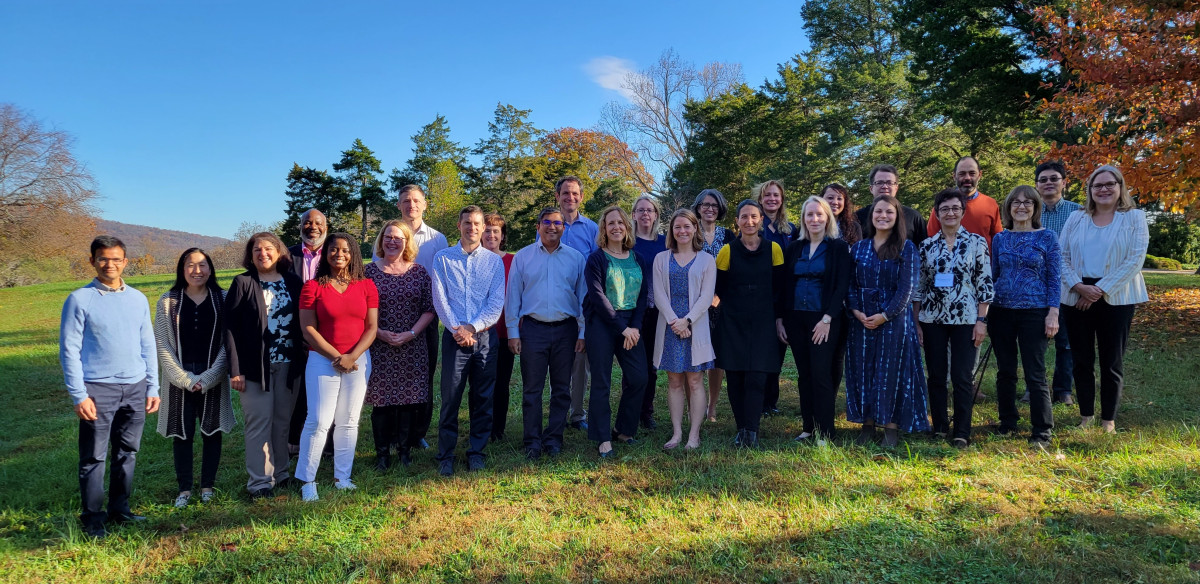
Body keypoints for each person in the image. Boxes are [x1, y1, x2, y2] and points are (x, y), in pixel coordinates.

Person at [60, 236, 160, 538]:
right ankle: (92, 519)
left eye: (116, 259)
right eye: (103, 258)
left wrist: (152, 386)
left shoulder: (138, 299)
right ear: (92, 261)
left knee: (127, 451)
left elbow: (147, 344)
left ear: (125, 262)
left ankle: (121, 510)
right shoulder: (79, 299)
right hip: (97, 389)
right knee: (94, 456)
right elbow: (69, 350)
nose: (110, 264)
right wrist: (79, 394)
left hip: (135, 385)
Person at [1059, 165, 1148, 434]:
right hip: (1077, 294)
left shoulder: (1134, 218)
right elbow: (1061, 256)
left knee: (1111, 361)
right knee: (1082, 359)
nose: (1104, 189)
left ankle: (1108, 419)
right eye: (1097, 185)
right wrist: (1078, 286)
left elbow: (1135, 259)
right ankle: (1086, 416)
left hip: (1117, 296)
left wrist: (1099, 290)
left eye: (1110, 184)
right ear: (1090, 190)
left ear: (1120, 187)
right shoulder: (1076, 218)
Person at [296, 233, 379, 501]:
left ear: (353, 253)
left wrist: (352, 356)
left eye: (345, 250)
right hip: (323, 359)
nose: (339, 254)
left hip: (358, 360)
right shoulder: (312, 287)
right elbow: (308, 328)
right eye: (333, 249)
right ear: (326, 253)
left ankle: (342, 477)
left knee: (349, 421)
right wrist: (337, 357)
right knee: (319, 420)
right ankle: (308, 480)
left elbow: (372, 327)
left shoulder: (366, 285)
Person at [225, 232, 304, 499]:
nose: (263, 253)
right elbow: (230, 329)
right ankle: (259, 481)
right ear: (251, 255)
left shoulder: (293, 282)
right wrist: (235, 370)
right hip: (255, 368)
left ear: (279, 252)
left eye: (268, 248)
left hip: (288, 364)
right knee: (258, 423)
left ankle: (281, 474)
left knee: (282, 423)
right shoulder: (243, 282)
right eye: (257, 249)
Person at [846, 196, 929, 448]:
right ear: (871, 216)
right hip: (861, 320)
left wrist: (885, 315)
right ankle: (867, 424)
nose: (882, 215)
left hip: (894, 321)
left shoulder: (906, 248)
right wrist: (857, 311)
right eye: (878, 211)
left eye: (888, 212)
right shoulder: (859, 248)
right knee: (864, 371)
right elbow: (850, 283)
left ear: (897, 216)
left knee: (890, 372)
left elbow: (907, 289)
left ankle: (890, 428)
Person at [914, 189, 994, 448]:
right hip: (932, 318)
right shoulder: (926, 246)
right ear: (937, 213)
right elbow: (919, 287)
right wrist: (917, 323)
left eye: (955, 208)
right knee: (936, 376)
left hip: (966, 319)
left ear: (962, 212)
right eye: (944, 208)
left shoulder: (976, 243)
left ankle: (962, 430)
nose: (950, 212)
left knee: (961, 377)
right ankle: (939, 426)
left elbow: (984, 285)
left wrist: (982, 321)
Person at [506, 208, 587, 460]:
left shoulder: (576, 258)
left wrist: (582, 332)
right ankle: (532, 440)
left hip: (566, 329)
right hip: (533, 329)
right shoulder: (523, 257)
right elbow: (513, 296)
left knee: (562, 388)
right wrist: (512, 332)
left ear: (564, 227)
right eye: (547, 222)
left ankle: (553, 438)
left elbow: (583, 297)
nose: (552, 227)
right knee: (532, 388)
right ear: (538, 226)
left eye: (557, 223)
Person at [154, 248, 233, 508]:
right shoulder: (168, 301)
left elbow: (228, 343)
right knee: (182, 432)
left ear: (211, 268)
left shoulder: (223, 299)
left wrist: (209, 377)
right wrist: (186, 379)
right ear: (182, 269)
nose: (196, 270)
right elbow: (162, 345)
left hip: (213, 374)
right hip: (178, 377)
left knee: (212, 431)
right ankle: (185, 489)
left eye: (202, 265)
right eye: (190, 265)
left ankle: (207, 485)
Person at [431, 206, 506, 475]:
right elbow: (440, 299)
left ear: (484, 227)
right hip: (454, 338)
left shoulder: (494, 262)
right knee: (451, 397)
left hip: (484, 338)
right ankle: (446, 455)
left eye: (477, 223)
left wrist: (472, 328)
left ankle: (477, 451)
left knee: (483, 397)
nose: (472, 228)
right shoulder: (443, 258)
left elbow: (496, 302)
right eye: (467, 223)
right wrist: (457, 329)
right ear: (459, 225)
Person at [989, 186, 1061, 447]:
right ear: (1008, 208)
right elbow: (994, 275)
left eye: (1027, 202)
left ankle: (1042, 430)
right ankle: (1008, 421)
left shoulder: (1048, 238)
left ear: (1035, 207)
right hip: (1002, 311)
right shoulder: (1000, 239)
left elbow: (1055, 278)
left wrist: (1053, 313)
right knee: (1005, 371)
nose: (1021, 206)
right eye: (1015, 202)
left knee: (1035, 372)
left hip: (1035, 312)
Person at [778, 197, 852, 444]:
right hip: (796, 319)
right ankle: (808, 428)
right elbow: (784, 286)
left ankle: (825, 431)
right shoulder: (793, 249)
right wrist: (781, 319)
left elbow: (842, 286)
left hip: (825, 320)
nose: (814, 219)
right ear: (803, 219)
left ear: (828, 218)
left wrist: (827, 319)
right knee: (804, 375)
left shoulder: (838, 248)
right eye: (809, 215)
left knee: (821, 374)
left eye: (819, 214)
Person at [714, 200, 786, 448]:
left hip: (764, 321)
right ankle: (741, 428)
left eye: (754, 217)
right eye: (744, 217)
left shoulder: (774, 249)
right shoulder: (727, 251)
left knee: (757, 377)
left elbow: (780, 289)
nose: (749, 221)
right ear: (737, 221)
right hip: (733, 321)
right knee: (735, 377)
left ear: (761, 220)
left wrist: (779, 319)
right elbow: (719, 289)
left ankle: (752, 430)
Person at [364, 221, 434, 470]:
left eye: (399, 238)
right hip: (378, 344)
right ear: (381, 240)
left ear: (407, 243)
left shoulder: (419, 272)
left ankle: (404, 452)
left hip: (412, 345)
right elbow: (359, 310)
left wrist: (411, 333)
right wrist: (379, 333)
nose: (392, 241)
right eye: (388, 236)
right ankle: (382, 455)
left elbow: (429, 308)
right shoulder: (368, 273)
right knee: (381, 401)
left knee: (408, 400)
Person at [584, 206, 651, 458]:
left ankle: (624, 429)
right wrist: (621, 328)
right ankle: (602, 438)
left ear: (627, 227)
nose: (616, 227)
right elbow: (597, 297)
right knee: (601, 381)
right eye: (611, 223)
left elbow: (643, 296)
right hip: (602, 324)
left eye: (621, 223)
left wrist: (633, 327)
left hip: (630, 324)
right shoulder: (596, 259)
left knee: (638, 378)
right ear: (604, 228)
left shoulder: (638, 258)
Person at [652, 209, 717, 450]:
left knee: (695, 381)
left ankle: (694, 435)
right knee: (674, 381)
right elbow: (658, 294)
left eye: (687, 227)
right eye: (677, 227)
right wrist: (674, 322)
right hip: (670, 326)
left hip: (695, 326)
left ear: (695, 229)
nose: (682, 231)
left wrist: (686, 321)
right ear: (671, 231)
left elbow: (707, 296)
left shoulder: (706, 260)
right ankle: (677, 432)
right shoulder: (661, 258)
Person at [397, 184, 448, 451]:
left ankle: (418, 433)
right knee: (395, 374)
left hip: (427, 316)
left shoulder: (437, 240)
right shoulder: (390, 235)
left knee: (424, 375)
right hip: (393, 317)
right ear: (399, 205)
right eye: (406, 200)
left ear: (425, 204)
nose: (411, 205)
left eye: (416, 200)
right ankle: (395, 432)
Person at [550, 176, 599, 431]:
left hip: (584, 303)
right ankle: (557, 410)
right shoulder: (549, 225)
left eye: (575, 193)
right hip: (555, 302)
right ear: (557, 196)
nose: (570, 198)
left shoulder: (591, 229)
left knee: (580, 360)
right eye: (565, 193)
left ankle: (577, 414)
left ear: (581, 197)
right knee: (558, 361)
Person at [1032, 161, 1081, 405]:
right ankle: (1033, 388)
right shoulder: (1029, 210)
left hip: (1068, 285)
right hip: (1036, 288)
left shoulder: (1078, 212)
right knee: (1034, 342)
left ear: (1064, 181)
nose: (1049, 183)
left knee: (1066, 342)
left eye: (1054, 178)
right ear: (1037, 185)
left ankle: (1063, 389)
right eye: (1043, 179)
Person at [286, 208, 325, 457]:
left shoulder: (335, 252)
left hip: (326, 331)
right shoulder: (285, 256)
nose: (312, 227)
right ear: (300, 226)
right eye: (307, 222)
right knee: (296, 387)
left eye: (318, 222)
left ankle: (327, 443)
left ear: (326, 226)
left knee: (324, 388)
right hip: (292, 332)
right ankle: (293, 438)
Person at [754, 180, 794, 416]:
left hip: (783, 297)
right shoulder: (753, 226)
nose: (771, 199)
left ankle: (771, 401)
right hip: (759, 297)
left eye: (776, 195)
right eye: (767, 195)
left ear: (782, 199)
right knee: (760, 351)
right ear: (760, 199)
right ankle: (759, 401)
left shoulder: (791, 230)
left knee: (778, 350)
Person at [693, 188, 731, 423]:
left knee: (717, 359)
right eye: (705, 204)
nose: (709, 208)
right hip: (692, 305)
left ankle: (712, 407)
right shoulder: (688, 231)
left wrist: (719, 296)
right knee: (694, 358)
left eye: (714, 205)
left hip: (719, 304)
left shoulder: (728, 236)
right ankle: (692, 406)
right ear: (698, 207)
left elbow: (733, 272)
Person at [630, 195, 667, 430]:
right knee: (633, 365)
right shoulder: (627, 242)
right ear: (633, 214)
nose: (645, 214)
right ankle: (630, 412)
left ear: (656, 215)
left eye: (650, 210)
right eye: (641, 210)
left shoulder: (665, 242)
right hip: (633, 312)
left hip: (658, 311)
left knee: (652, 365)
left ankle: (647, 412)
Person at [482, 213, 516, 442]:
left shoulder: (513, 261)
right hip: (480, 331)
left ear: (502, 235)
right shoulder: (474, 258)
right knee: (481, 381)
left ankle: (497, 429)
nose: (491, 234)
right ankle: (480, 425)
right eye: (487, 230)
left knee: (502, 382)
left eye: (496, 231)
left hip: (505, 330)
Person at [928, 156, 1003, 247]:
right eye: (962, 174)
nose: (967, 178)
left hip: (983, 260)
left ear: (979, 175)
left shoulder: (990, 204)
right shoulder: (943, 207)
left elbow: (998, 241)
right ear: (954, 176)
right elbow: (931, 240)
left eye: (972, 173)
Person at [855, 164, 927, 245]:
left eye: (890, 183)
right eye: (879, 182)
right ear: (871, 188)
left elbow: (924, 251)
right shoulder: (857, 217)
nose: (885, 186)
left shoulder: (913, 217)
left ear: (896, 188)